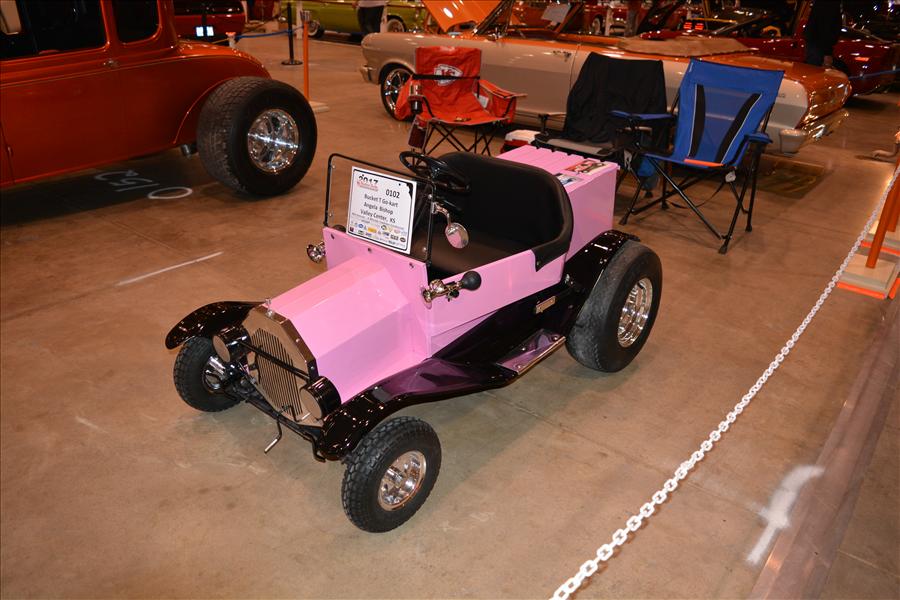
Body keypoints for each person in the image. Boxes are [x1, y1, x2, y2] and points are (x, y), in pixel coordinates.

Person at [804, 0, 843, 67]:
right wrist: (827, 52)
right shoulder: (830, 3)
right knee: (816, 70)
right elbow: (826, 27)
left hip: (815, 44)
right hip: (819, 46)